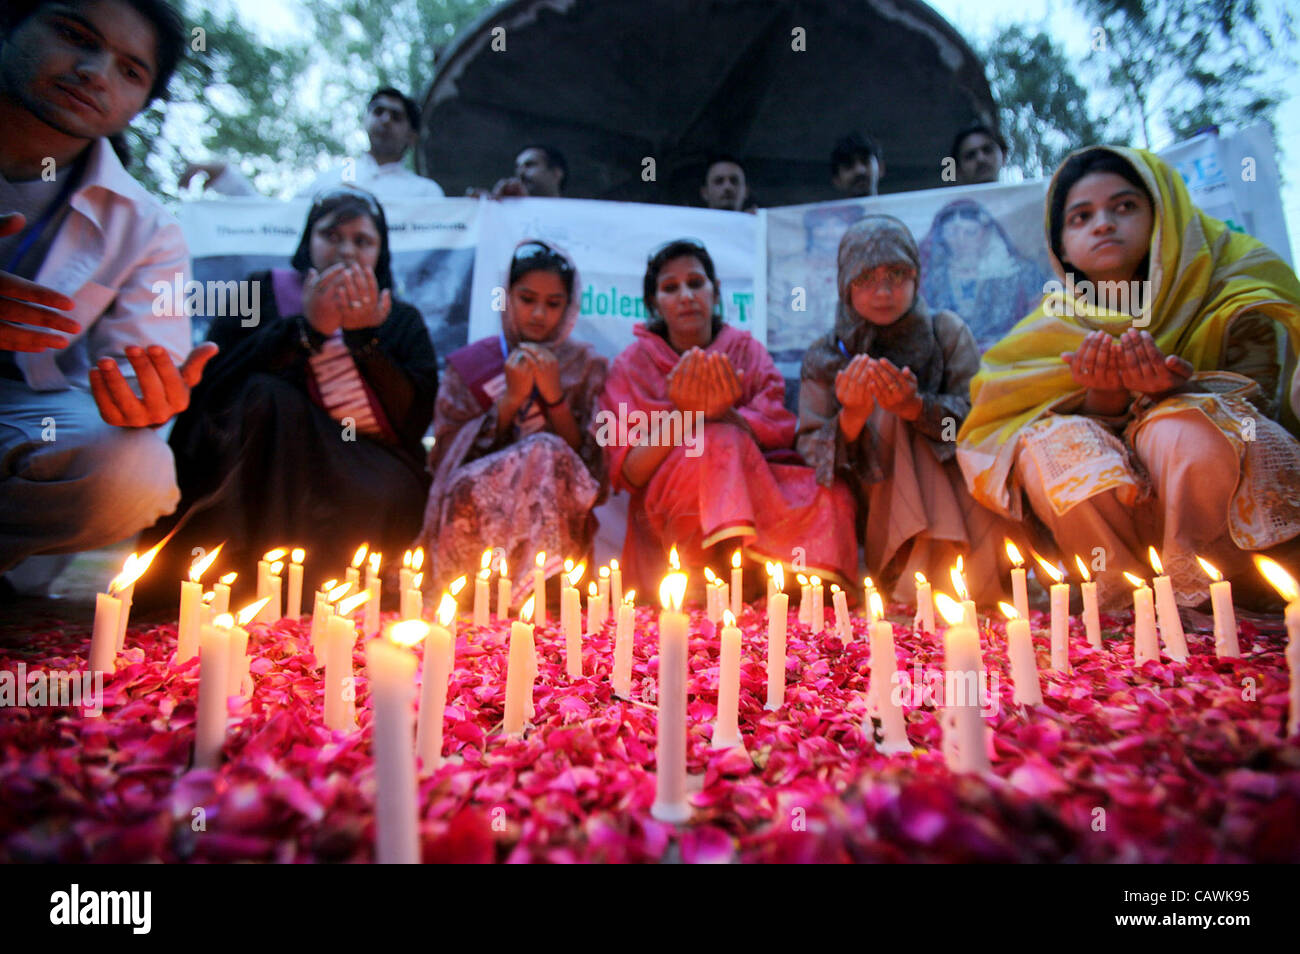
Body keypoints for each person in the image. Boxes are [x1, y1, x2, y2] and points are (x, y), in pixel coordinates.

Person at [958, 146, 1300, 611]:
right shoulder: (1046, 332)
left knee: (1184, 428)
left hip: (1227, 530)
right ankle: (1120, 604)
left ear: (1163, 216)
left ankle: (1209, 600)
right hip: (1115, 527)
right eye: (1081, 216)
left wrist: (1176, 391)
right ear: (1060, 246)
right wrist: (1104, 398)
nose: (1103, 224)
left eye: (1124, 207)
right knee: (1054, 444)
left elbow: (1269, 411)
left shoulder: (1234, 293)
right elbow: (992, 432)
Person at [0, 0, 216, 594]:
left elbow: (139, 366)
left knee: (136, 468)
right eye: (74, 35)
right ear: (10, 23)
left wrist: (143, 401)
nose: (95, 73)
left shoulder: (148, 229)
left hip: (18, 416)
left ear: (143, 102)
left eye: (130, 70)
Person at [138, 186, 437, 602]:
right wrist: (306, 330)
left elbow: (413, 420)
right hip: (269, 448)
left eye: (362, 241)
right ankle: (228, 585)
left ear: (380, 253)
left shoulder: (399, 317)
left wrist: (365, 340)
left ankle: (321, 601)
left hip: (364, 457)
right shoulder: (261, 292)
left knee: (389, 491)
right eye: (332, 236)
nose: (346, 251)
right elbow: (216, 383)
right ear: (308, 241)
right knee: (264, 393)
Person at [602, 238, 857, 597]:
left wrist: (727, 415)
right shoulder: (633, 365)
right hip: (671, 498)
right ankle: (707, 577)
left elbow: (780, 434)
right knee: (714, 443)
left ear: (716, 291)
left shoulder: (746, 352)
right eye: (670, 288)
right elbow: (631, 470)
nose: (686, 296)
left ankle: (778, 585)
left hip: (757, 484)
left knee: (833, 493)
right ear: (654, 303)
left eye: (695, 282)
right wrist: (687, 412)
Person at [798, 216, 1010, 606]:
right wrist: (853, 417)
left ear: (916, 275)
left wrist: (917, 408)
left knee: (902, 417)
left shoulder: (945, 333)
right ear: (845, 286)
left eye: (897, 273)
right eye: (865, 278)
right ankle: (910, 571)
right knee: (885, 413)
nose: (883, 290)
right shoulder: (827, 356)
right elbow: (810, 453)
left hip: (957, 484)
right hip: (870, 502)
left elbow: (982, 427)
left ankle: (927, 576)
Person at [417, 240, 607, 603]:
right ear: (507, 297)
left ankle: (541, 591)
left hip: (558, 516)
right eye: (527, 299)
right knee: (541, 448)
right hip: (477, 519)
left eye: (553, 304)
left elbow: (591, 471)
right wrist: (509, 403)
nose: (538, 314)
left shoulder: (585, 367)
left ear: (569, 308)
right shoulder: (470, 366)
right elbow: (446, 460)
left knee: (546, 448)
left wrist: (554, 398)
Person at [183, 87, 445, 201]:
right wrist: (226, 178)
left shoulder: (425, 193)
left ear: (412, 137)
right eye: (378, 112)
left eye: (396, 116)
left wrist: (484, 211)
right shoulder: (332, 179)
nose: (385, 120)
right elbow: (276, 223)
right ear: (365, 120)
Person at [918, 198, 1049, 351]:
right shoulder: (927, 278)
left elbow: (1040, 321)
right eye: (952, 232)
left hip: (1010, 355)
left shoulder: (1022, 272)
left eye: (970, 232)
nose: (961, 241)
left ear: (986, 233)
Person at [478, 144, 568, 199]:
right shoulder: (507, 212)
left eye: (530, 165)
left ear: (556, 173)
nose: (520, 172)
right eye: (518, 167)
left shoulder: (577, 217)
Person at [830, 132, 884, 198]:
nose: (859, 170)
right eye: (848, 165)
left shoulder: (899, 207)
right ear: (837, 180)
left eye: (865, 161)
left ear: (880, 168)